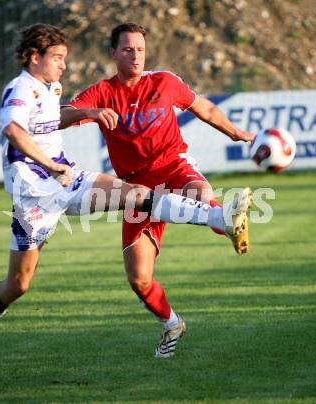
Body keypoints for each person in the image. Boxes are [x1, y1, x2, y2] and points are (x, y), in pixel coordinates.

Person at [0, 23, 251, 379]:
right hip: (35, 197)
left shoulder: (51, 87)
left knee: (136, 195)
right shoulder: (21, 88)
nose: (63, 65)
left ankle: (220, 219)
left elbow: (56, 119)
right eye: (57, 57)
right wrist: (58, 150)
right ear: (34, 57)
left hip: (69, 180)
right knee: (18, 284)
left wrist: (75, 131)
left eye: (63, 57)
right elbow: (13, 130)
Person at [60, 23, 255, 359]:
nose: (135, 55)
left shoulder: (164, 81)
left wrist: (235, 132)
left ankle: (227, 220)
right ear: (113, 54)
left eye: (140, 49)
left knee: (200, 194)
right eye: (127, 49)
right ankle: (172, 324)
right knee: (139, 279)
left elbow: (203, 107)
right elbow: (60, 115)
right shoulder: (102, 92)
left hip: (173, 166)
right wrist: (90, 112)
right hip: (135, 189)